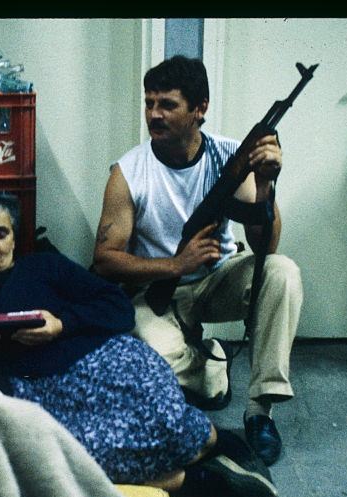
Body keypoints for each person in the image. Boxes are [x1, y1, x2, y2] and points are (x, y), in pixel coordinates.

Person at [0, 189, 278, 497]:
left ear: (15, 240)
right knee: (72, 456)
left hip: (103, 358)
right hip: (37, 392)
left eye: (0, 233)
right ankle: (201, 478)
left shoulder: (42, 267)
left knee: (160, 412)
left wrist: (62, 323)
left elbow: (118, 307)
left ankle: (216, 443)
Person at [92, 55, 303, 466]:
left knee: (283, 273)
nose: (154, 114)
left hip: (218, 278)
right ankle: (211, 368)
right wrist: (175, 265)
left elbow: (265, 247)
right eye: (149, 103)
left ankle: (260, 411)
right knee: (155, 364)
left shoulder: (229, 157)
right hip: (159, 289)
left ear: (199, 108)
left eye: (167, 104)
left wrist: (266, 184)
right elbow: (104, 260)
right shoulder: (129, 172)